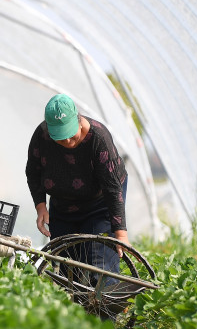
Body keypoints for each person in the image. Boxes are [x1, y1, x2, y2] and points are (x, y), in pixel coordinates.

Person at [25, 93, 129, 288]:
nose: (67, 142)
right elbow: (33, 172)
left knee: (100, 265)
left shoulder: (98, 138)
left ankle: (106, 314)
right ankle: (73, 314)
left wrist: (120, 235)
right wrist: (41, 206)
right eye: (60, 138)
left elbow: (113, 188)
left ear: (79, 120)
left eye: (71, 135)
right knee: (66, 267)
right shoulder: (42, 135)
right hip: (62, 206)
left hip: (99, 204)